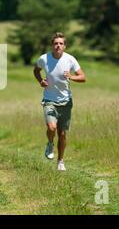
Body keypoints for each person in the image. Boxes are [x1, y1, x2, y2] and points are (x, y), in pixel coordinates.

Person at [33, 32, 86, 171]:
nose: (58, 46)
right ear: (52, 45)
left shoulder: (70, 59)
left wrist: (71, 77)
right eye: (55, 43)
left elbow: (83, 77)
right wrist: (41, 81)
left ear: (64, 46)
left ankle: (60, 161)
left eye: (61, 43)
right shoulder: (44, 58)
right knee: (52, 127)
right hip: (49, 100)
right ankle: (50, 144)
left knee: (62, 134)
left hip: (66, 101)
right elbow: (36, 70)